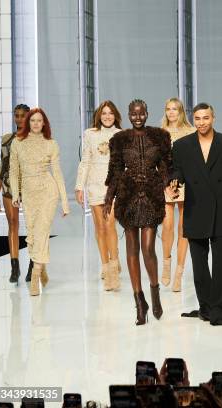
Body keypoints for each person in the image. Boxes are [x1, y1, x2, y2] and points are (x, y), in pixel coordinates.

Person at [169, 103, 222, 326]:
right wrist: (174, 181)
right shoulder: (182, 146)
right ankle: (206, 306)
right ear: (193, 120)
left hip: (221, 209)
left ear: (213, 118)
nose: (201, 122)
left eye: (205, 118)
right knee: (199, 264)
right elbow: (177, 171)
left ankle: (221, 310)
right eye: (197, 118)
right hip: (195, 208)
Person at [104, 99, 172, 325]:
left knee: (148, 249)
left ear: (147, 113)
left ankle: (154, 291)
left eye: (141, 113)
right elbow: (115, 171)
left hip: (151, 197)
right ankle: (139, 302)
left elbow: (165, 166)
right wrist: (108, 198)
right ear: (129, 115)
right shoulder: (119, 140)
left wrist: (168, 184)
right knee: (132, 249)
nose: (137, 117)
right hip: (128, 197)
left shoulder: (160, 137)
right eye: (133, 114)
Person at [9, 108, 70, 296]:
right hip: (28, 193)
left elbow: (57, 173)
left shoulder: (51, 144)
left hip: (47, 191)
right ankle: (42, 267)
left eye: (39, 120)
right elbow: (14, 171)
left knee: (43, 230)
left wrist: (65, 202)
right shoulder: (17, 143)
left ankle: (35, 275)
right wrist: (15, 194)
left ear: (44, 123)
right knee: (34, 235)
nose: (36, 123)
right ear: (28, 122)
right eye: (33, 120)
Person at [75, 100, 123, 291]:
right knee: (100, 227)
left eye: (111, 113)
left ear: (115, 115)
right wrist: (80, 187)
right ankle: (105, 265)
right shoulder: (90, 134)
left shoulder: (121, 135)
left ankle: (113, 265)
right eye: (104, 113)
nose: (107, 116)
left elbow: (124, 164)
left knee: (110, 224)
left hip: (114, 185)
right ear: (99, 115)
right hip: (94, 184)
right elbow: (85, 160)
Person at [160, 97, 196, 292]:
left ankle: (179, 274)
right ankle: (166, 263)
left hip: (185, 180)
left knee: (184, 227)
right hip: (165, 181)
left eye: (175, 109)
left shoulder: (190, 132)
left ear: (181, 111)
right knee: (167, 224)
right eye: (168, 109)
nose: (171, 112)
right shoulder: (160, 133)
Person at [0, 103, 30, 283]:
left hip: (30, 186)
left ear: (28, 116)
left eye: (22, 115)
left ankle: (33, 264)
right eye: (16, 115)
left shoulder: (35, 139)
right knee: (13, 225)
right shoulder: (7, 139)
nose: (19, 118)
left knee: (32, 226)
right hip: (9, 186)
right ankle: (14, 267)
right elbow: (2, 166)